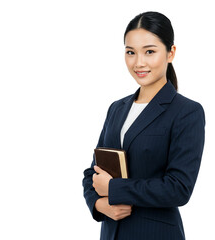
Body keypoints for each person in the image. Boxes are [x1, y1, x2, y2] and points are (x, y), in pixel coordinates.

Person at [82, 11, 205, 240]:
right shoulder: (116, 109)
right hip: (111, 233)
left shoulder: (187, 112)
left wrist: (115, 189)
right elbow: (93, 172)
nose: (139, 62)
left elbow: (179, 188)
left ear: (171, 53)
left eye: (149, 51)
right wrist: (100, 205)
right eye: (131, 52)